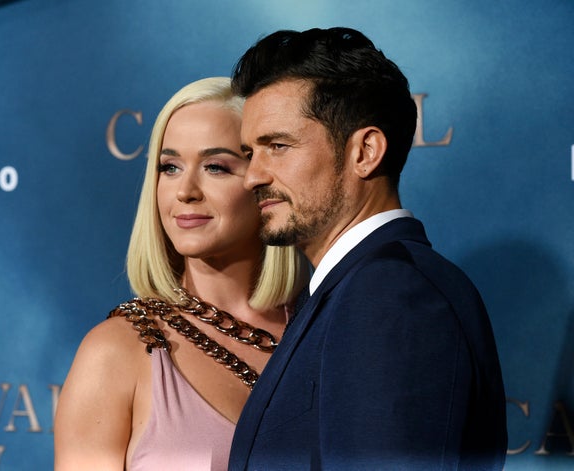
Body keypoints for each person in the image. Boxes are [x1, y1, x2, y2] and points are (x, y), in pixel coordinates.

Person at [227, 27, 508, 470]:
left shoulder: (388, 296)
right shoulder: (358, 288)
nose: (252, 177)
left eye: (278, 147)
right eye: (249, 153)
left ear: (366, 151)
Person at [53, 76, 305, 471]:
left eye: (216, 167)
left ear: (262, 181)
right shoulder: (114, 354)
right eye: (169, 167)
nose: (185, 190)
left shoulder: (322, 332)